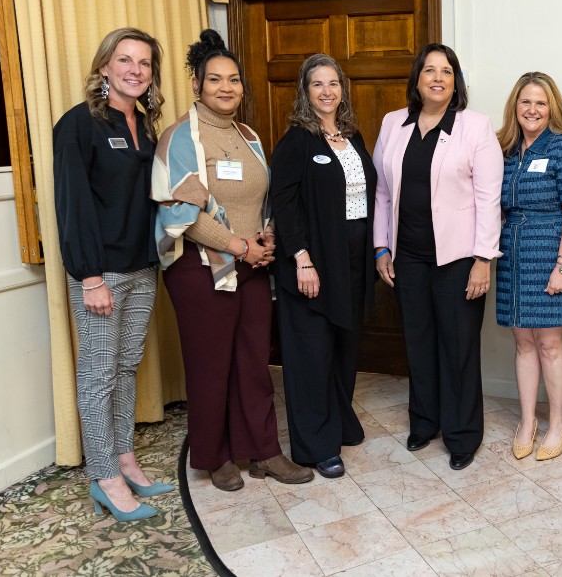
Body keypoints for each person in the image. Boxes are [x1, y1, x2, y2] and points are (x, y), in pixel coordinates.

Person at [153, 29, 312, 491]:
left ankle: (264, 451)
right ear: (197, 85)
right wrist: (240, 246)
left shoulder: (248, 135)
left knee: (253, 361)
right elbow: (182, 214)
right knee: (210, 365)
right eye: (215, 79)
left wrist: (265, 237)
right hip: (200, 270)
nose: (227, 88)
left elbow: (261, 200)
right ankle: (213, 455)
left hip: (252, 266)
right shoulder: (181, 137)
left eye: (235, 79)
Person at [54, 27, 173, 521]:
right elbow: (73, 204)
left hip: (142, 267)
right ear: (104, 66)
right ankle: (104, 476)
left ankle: (125, 459)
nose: (135, 70)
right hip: (100, 272)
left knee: (125, 369)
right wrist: (90, 277)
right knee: (99, 375)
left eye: (144, 63)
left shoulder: (146, 125)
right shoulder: (78, 125)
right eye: (124, 60)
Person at [372, 43, 503, 471]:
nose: (437, 78)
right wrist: (382, 247)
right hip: (407, 257)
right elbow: (383, 192)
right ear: (417, 79)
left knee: (458, 346)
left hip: (459, 260)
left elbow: (489, 198)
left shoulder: (475, 127)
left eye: (446, 71)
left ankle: (463, 434)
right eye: (429, 70)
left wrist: (484, 259)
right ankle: (424, 422)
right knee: (419, 342)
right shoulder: (395, 123)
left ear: (456, 81)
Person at [270, 54, 376, 479]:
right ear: (305, 91)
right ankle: (315, 444)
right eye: (318, 84)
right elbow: (284, 205)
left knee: (345, 347)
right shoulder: (296, 141)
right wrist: (301, 259)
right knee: (311, 353)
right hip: (312, 261)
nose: (327, 91)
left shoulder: (353, 136)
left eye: (333, 83)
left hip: (352, 257)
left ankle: (338, 420)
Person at [495, 72, 562, 461]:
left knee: (551, 344)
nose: (532, 110)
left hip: (552, 253)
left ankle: (558, 422)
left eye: (540, 103)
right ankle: (527, 421)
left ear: (552, 108)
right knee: (523, 344)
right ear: (514, 107)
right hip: (512, 257)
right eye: (525, 102)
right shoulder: (504, 150)